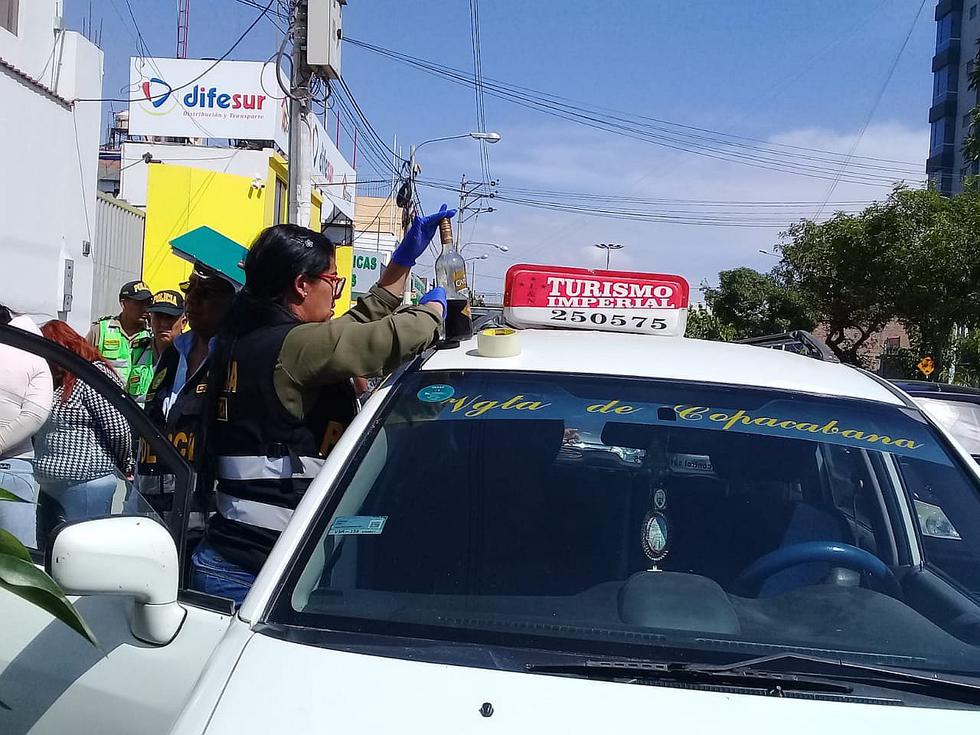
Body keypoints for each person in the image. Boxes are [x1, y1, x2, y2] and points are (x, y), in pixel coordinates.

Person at [190, 207, 454, 604]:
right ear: (301, 285)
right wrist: (434, 310)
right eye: (332, 280)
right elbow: (381, 340)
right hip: (254, 570)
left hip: (235, 555)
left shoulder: (253, 336)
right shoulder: (295, 346)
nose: (335, 289)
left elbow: (357, 320)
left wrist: (402, 263)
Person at [139, 268, 236, 518]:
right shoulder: (172, 354)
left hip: (208, 515)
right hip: (153, 507)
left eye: (204, 293)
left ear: (231, 302)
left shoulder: (235, 358)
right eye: (190, 289)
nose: (192, 299)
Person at [34, 321, 135, 545]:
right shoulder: (55, 381)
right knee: (49, 553)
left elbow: (118, 428)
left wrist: (124, 462)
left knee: (83, 553)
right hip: (53, 484)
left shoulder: (92, 375)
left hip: (86, 482)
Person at [0, 305, 53, 547]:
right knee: (19, 557)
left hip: (14, 466)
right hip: (15, 464)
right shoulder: (34, 353)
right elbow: (35, 414)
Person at [87, 280, 153, 397]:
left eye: (148, 303)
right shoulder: (100, 330)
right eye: (139, 303)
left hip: (138, 411)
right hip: (105, 405)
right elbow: (82, 366)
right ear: (123, 304)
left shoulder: (153, 336)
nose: (145, 309)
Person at [127, 289, 186, 405]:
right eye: (158, 317)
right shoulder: (137, 351)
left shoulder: (189, 356)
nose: (163, 324)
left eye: (170, 318)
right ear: (150, 320)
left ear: (183, 323)